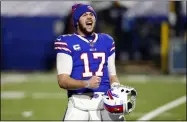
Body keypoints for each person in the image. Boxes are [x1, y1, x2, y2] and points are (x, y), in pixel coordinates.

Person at [54, 3, 130, 121]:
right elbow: (63, 81)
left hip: (105, 103)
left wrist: (116, 88)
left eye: (91, 15)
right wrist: (86, 83)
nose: (89, 17)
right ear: (77, 21)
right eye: (84, 15)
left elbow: (112, 75)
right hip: (79, 103)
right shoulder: (66, 42)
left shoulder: (107, 41)